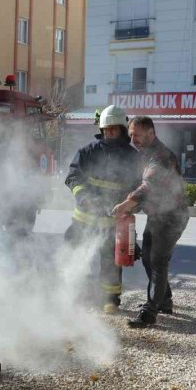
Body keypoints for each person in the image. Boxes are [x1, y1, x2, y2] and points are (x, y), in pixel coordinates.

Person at [112, 116, 189, 328]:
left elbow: (147, 187)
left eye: (136, 135)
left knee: (157, 261)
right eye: (130, 135)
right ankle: (164, 301)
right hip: (158, 216)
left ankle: (149, 312)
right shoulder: (145, 155)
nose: (132, 139)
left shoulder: (161, 157)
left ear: (151, 133)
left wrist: (125, 205)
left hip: (172, 217)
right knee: (148, 258)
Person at [65, 105, 141, 313]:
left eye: (113, 130)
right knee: (75, 253)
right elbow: (73, 176)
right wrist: (83, 197)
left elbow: (139, 187)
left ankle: (110, 299)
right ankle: (73, 293)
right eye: (105, 130)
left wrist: (130, 205)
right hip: (84, 217)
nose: (109, 134)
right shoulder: (88, 152)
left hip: (113, 220)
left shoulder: (132, 157)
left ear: (122, 130)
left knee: (110, 260)